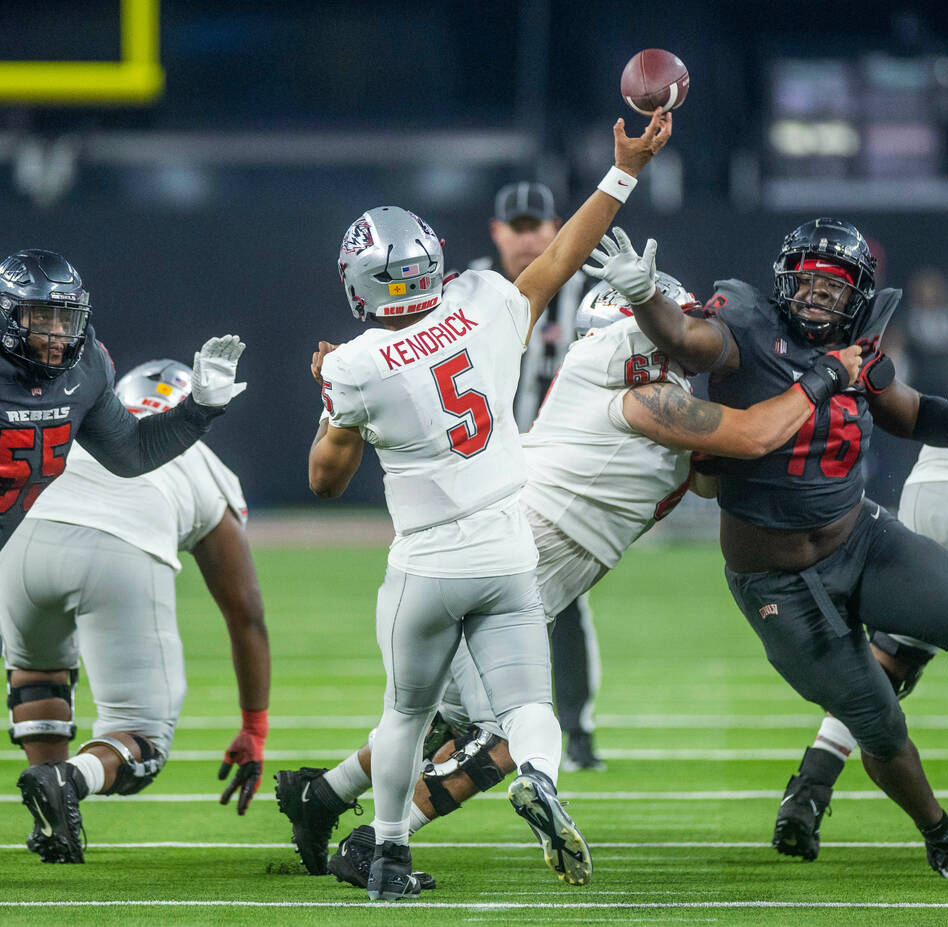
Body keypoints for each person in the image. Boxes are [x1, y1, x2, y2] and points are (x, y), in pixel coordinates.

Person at [276, 271, 863, 887]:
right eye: (664, 332)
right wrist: (822, 378)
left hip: (532, 560)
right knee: (500, 734)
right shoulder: (637, 392)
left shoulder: (638, 382)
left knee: (441, 720)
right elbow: (751, 437)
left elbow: (718, 470)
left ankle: (320, 797)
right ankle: (374, 843)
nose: (682, 344)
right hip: (512, 561)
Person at [305, 109, 671, 900]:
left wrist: (332, 407)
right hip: (508, 547)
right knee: (528, 703)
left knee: (406, 714)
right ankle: (539, 774)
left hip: (428, 562)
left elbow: (324, 480)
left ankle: (390, 857)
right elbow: (565, 255)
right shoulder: (481, 307)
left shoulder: (357, 365)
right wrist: (624, 170)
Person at [602, 222, 948, 879]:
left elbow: (906, 413)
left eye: (836, 282)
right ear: (784, 280)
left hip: (859, 535)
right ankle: (943, 838)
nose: (820, 292)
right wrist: (647, 295)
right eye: (810, 278)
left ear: (858, 295)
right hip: (777, 578)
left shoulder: (859, 342)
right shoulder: (746, 326)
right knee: (877, 719)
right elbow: (684, 338)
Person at [0, 358, 268, 864]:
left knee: (37, 672)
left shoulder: (77, 423)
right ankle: (71, 778)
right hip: (119, 549)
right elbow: (245, 614)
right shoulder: (202, 460)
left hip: (22, 541)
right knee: (142, 736)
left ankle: (54, 820)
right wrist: (254, 726)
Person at [471, 180, 602, 771]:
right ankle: (476, 726)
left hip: (556, 468)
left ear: (555, 229)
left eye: (536, 227)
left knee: (560, 598)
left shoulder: (591, 290)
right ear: (498, 232)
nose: (527, 239)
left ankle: (574, 729)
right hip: (478, 467)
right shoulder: (467, 289)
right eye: (516, 228)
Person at [0, 249, 246, 552]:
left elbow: (133, 451)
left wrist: (200, 409)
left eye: (66, 319)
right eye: (42, 317)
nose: (58, 334)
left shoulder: (84, 367)